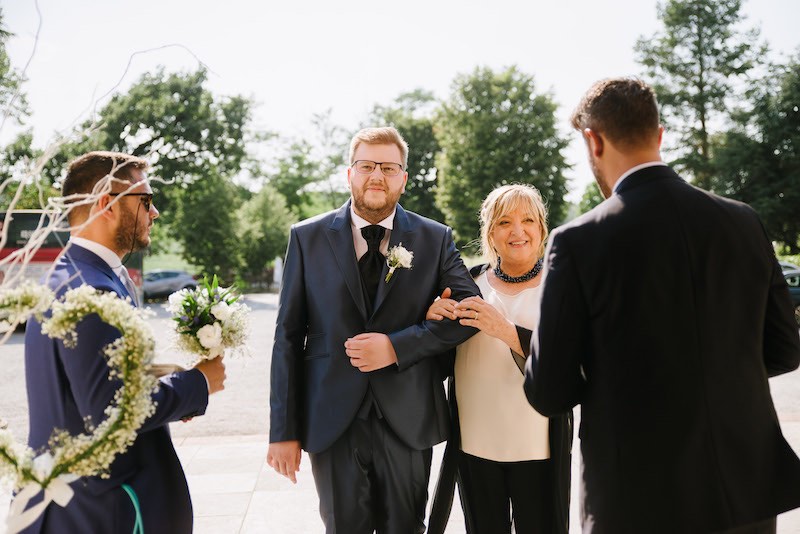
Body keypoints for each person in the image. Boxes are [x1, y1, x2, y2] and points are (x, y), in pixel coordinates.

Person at [524, 78, 800, 534]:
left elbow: (549, 391)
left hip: (637, 497)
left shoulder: (577, 242)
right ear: (660, 134)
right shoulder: (743, 222)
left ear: (593, 140)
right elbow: (785, 351)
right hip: (742, 490)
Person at [267, 127, 479, 533]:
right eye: (366, 166)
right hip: (331, 421)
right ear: (349, 174)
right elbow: (287, 338)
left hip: (408, 418)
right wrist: (283, 431)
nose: (376, 176)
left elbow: (471, 312)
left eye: (388, 167)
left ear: (404, 178)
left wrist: (399, 346)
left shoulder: (435, 238)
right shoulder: (306, 238)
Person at [21, 151, 226, 534]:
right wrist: (199, 382)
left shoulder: (77, 274)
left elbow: (89, 386)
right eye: (145, 200)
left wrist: (160, 378)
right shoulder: (90, 291)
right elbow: (110, 411)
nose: (155, 213)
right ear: (106, 205)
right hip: (102, 510)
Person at [426, 184, 572, 534]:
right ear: (490, 232)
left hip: (539, 450)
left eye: (528, 220)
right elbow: (439, 365)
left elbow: (571, 364)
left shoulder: (563, 286)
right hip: (475, 447)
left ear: (542, 229)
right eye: (505, 222)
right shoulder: (468, 284)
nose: (518, 231)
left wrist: (506, 330)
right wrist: (431, 323)